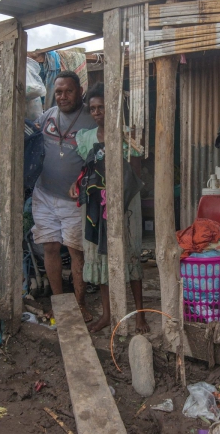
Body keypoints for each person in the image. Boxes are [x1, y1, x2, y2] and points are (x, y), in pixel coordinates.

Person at [70, 83, 149, 334]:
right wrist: (78, 183)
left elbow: (135, 173)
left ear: (113, 107)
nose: (97, 112)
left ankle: (139, 315)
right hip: (95, 205)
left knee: (130, 253)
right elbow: (87, 170)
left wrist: (117, 196)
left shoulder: (128, 135)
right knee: (102, 256)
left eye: (102, 107)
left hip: (126, 203)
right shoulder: (86, 138)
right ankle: (107, 314)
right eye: (93, 108)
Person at [32, 71, 97, 322]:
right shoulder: (48, 116)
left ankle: (80, 304)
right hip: (45, 194)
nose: (63, 96)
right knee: (49, 247)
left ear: (80, 91)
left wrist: (82, 181)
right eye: (58, 91)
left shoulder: (90, 121)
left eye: (68, 91)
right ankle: (59, 302)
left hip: (74, 200)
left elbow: (97, 161)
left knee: (75, 251)